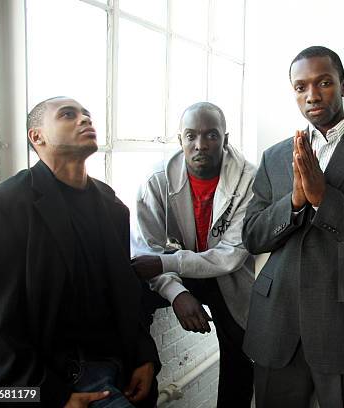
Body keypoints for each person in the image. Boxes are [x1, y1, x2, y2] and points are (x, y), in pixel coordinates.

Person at [242, 46, 344, 407]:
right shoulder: (275, 155)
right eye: (301, 87)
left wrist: (323, 199)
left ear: (343, 85)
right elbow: (252, 235)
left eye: (324, 83)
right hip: (277, 326)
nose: (312, 95)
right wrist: (295, 202)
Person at [0, 97, 161, 407]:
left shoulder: (111, 203)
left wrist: (145, 356)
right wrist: (51, 397)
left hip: (122, 367)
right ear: (37, 137)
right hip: (57, 379)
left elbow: (125, 291)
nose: (85, 120)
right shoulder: (0, 208)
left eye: (87, 115)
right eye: (68, 115)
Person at [131, 102, 256, 407]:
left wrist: (165, 263)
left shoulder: (249, 178)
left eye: (211, 135)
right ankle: (142, 385)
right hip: (182, 268)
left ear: (225, 139)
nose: (200, 145)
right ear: (180, 140)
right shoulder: (156, 180)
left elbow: (230, 256)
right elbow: (147, 252)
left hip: (228, 275)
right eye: (191, 136)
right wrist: (176, 293)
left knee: (239, 351)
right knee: (131, 294)